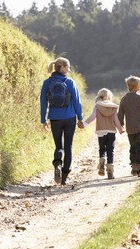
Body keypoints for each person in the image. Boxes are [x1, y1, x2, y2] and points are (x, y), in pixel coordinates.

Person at [40, 57, 84, 185]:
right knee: (68, 147)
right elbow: (77, 102)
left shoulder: (47, 83)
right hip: (70, 118)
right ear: (62, 68)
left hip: (55, 118)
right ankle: (64, 178)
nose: (69, 70)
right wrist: (80, 118)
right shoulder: (70, 82)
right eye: (68, 67)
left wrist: (43, 120)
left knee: (59, 146)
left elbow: (43, 103)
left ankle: (57, 164)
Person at [82, 88, 124, 179]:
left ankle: (101, 161)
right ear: (108, 96)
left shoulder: (97, 106)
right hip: (111, 132)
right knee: (110, 151)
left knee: (102, 149)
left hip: (101, 131)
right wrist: (120, 129)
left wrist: (85, 124)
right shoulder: (113, 107)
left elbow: (93, 116)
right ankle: (110, 172)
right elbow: (116, 120)